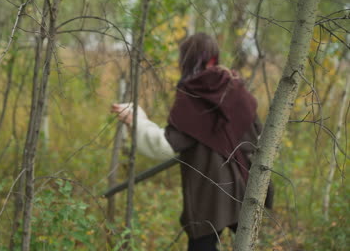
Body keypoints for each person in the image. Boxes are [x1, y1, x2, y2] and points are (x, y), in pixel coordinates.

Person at [111, 33, 273, 251]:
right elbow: (259, 137)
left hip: (209, 194)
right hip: (246, 184)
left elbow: (165, 145)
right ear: (213, 58)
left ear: (187, 60)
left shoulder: (192, 93)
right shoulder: (237, 88)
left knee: (201, 247)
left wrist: (136, 120)